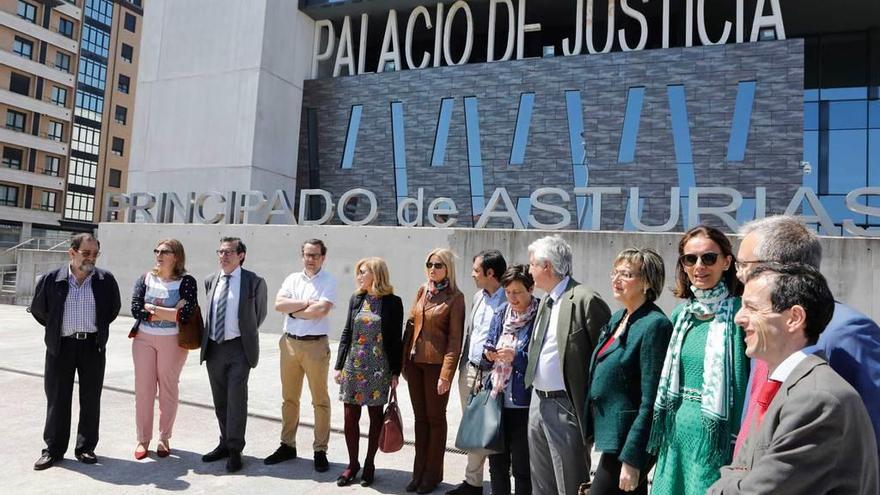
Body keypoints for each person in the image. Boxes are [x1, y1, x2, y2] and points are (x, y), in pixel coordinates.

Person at [708, 263, 879, 494]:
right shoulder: (784, 386)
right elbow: (737, 468)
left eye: (751, 308)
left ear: (794, 318)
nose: (739, 318)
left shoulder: (817, 399)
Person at [734, 215, 880, 462]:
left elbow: (871, 431)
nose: (738, 274)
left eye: (744, 264)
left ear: (778, 267)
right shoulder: (765, 329)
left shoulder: (846, 331)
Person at [647, 225, 748, 495]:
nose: (699, 266)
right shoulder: (681, 315)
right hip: (675, 436)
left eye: (709, 258)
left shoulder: (741, 314)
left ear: (727, 262)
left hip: (716, 440)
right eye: (690, 259)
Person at [524, 235, 611, 495]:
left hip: (565, 406)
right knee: (541, 483)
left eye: (532, 265)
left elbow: (603, 359)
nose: (529, 271)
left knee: (570, 483)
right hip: (538, 401)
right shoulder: (547, 300)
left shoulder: (585, 299)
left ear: (547, 266)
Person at [30, 233, 121, 470]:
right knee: (58, 399)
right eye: (86, 253)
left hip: (93, 346)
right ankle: (53, 449)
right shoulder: (51, 279)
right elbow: (41, 311)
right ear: (72, 253)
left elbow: (112, 310)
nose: (91, 258)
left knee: (91, 398)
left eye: (95, 254)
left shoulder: (105, 280)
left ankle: (86, 447)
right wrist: (59, 329)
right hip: (61, 346)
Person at [585, 248, 672, 495]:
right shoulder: (619, 318)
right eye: (615, 272)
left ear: (646, 282)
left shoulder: (655, 325)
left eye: (626, 274)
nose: (616, 279)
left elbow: (651, 399)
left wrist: (634, 459)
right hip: (612, 437)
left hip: (627, 442)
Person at [265, 239, 337, 472]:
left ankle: (320, 450)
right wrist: (306, 304)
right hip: (289, 345)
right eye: (307, 254)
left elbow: (322, 310)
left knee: (320, 400)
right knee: (289, 398)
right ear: (302, 256)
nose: (310, 259)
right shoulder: (292, 279)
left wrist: (294, 310)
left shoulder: (329, 281)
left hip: (315, 346)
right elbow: (278, 304)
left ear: (323, 257)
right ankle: (287, 445)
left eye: (315, 255)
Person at [333, 257, 404, 487]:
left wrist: (395, 372)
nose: (359, 276)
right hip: (353, 366)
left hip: (378, 368)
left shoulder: (393, 302)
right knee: (349, 417)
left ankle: (369, 463)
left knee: (375, 417)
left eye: (363, 272)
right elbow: (347, 333)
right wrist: (338, 366)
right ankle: (352, 464)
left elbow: (396, 340)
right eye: (358, 272)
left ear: (376, 274)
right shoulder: (356, 298)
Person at [200, 237, 267, 473]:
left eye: (229, 252)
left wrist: (243, 333)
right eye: (220, 251)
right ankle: (224, 443)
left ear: (241, 255)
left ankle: (236, 449)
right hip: (214, 347)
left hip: (239, 348)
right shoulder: (210, 280)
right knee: (220, 399)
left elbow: (259, 315)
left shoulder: (254, 282)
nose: (223, 256)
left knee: (236, 399)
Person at [402, 248, 466, 494]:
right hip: (415, 364)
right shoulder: (423, 290)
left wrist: (446, 375)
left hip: (436, 366)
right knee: (420, 421)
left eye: (438, 265)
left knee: (435, 421)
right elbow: (412, 324)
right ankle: (418, 473)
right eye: (429, 264)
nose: (432, 268)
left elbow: (454, 340)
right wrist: (402, 363)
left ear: (448, 267)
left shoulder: (455, 297)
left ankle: (432, 475)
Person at [129, 239, 198, 460]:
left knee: (168, 388)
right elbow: (135, 309)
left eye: (165, 251)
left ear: (176, 256)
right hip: (143, 339)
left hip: (173, 341)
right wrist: (169, 312)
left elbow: (185, 314)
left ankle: (164, 437)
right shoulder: (145, 278)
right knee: (144, 389)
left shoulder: (187, 282)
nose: (159, 254)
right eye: (157, 250)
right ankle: (143, 439)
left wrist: (153, 308)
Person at [449, 249, 507, 495]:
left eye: (476, 270)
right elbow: (471, 335)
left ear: (490, 272)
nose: (472, 275)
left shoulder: (508, 299)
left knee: (490, 428)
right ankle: (473, 483)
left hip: (494, 376)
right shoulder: (478, 298)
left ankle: (492, 484)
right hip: (470, 371)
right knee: (473, 426)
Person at [480, 264, 538, 495]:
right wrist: (489, 353)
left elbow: (539, 361)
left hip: (524, 401)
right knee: (497, 464)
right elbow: (488, 345)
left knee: (523, 467)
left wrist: (516, 357)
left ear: (531, 289)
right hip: (497, 398)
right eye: (508, 292)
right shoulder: (502, 312)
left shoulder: (540, 315)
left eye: (518, 292)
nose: (512, 298)